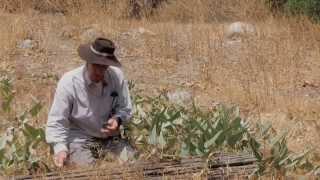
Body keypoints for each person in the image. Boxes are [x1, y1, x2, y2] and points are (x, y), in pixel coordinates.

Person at [46, 37, 135, 167]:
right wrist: (60, 149)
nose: (100, 71)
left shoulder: (116, 76)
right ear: (87, 61)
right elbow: (57, 120)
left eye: (104, 66)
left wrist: (117, 119)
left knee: (136, 164)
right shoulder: (69, 83)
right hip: (80, 138)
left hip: (110, 139)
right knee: (89, 172)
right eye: (96, 65)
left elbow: (125, 108)